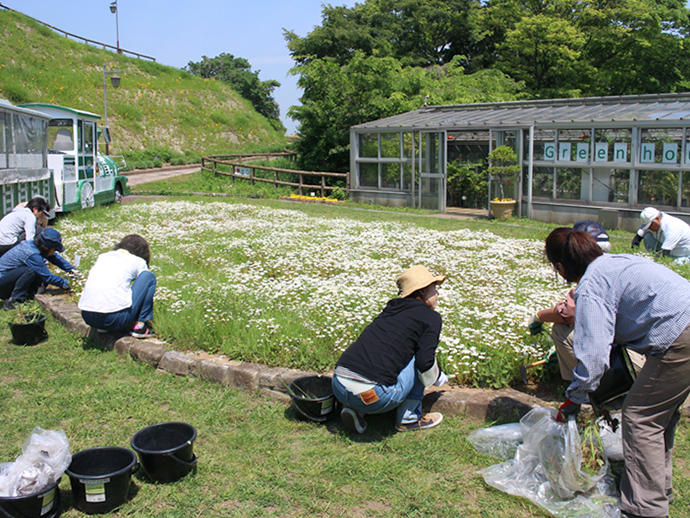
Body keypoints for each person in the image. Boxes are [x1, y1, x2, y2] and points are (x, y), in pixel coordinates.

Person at [545, 227, 690, 518]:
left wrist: (575, 397)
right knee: (660, 416)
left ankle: (645, 510)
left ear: (561, 267)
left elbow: (595, 357)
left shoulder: (592, 285)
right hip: (682, 325)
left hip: (678, 337)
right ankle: (659, 490)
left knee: (640, 418)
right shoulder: (619, 261)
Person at [331, 265, 448, 434]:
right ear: (422, 292)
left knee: (381, 355)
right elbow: (424, 362)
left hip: (338, 385)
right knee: (417, 356)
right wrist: (437, 376)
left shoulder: (392, 308)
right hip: (375, 397)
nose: (438, 294)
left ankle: (354, 408)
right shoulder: (431, 318)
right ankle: (409, 419)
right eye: (434, 289)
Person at [527, 220, 645, 380]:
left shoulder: (593, 278)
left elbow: (568, 313)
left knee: (561, 331)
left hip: (646, 358)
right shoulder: (620, 262)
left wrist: (539, 316)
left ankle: (589, 389)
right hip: (662, 346)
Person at [78, 234, 156, 338]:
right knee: (148, 277)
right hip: (114, 319)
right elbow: (143, 283)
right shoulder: (138, 261)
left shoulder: (103, 257)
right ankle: (140, 326)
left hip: (87, 316)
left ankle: (103, 327)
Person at [0, 228, 76, 310]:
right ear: (46, 248)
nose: (54, 252)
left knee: (36, 272)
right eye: (54, 249)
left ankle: (28, 295)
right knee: (30, 271)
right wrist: (67, 284)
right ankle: (14, 301)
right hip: (2, 283)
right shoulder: (32, 253)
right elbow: (48, 277)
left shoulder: (37, 247)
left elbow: (57, 259)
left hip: (9, 279)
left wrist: (74, 273)